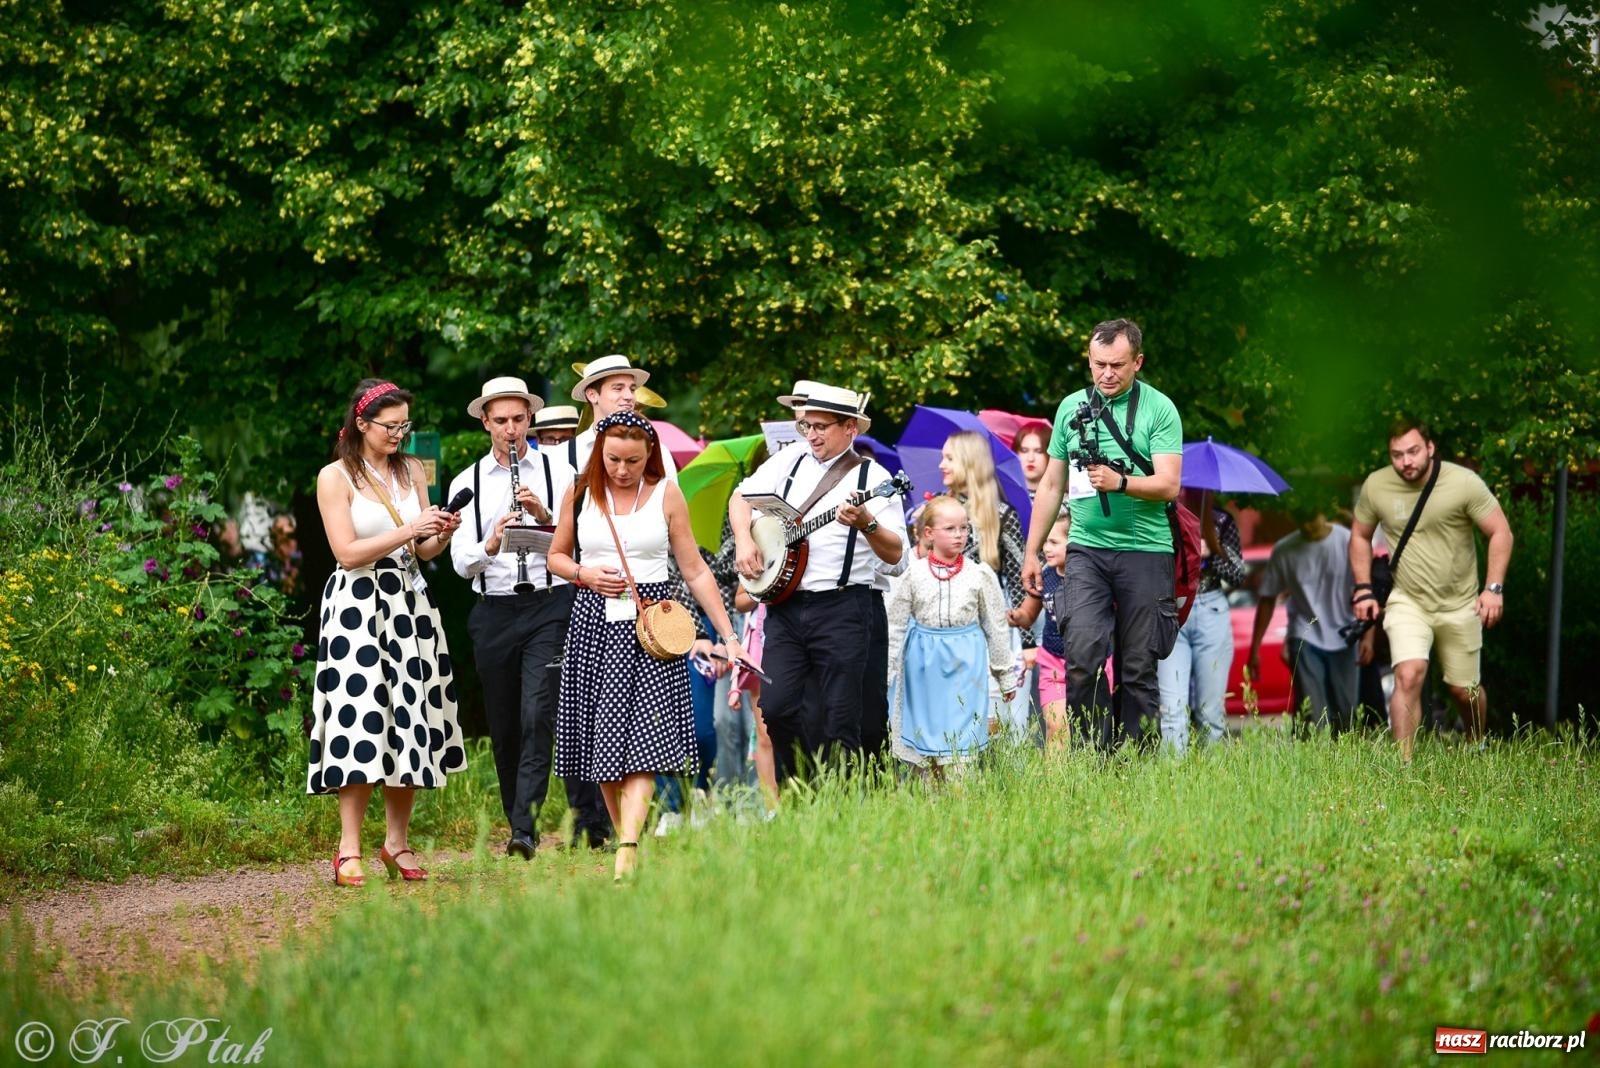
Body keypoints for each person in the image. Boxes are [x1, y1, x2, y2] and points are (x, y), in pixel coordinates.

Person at [547, 411, 743, 881]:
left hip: (654, 629)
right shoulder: (577, 492)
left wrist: (730, 635)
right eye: (613, 458)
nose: (622, 469)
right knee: (605, 750)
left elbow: (694, 569)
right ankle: (626, 837)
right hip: (594, 625)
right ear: (600, 451)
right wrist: (583, 573)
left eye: (633, 460)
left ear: (649, 455)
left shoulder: (667, 494)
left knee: (645, 744)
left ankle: (628, 847)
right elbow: (555, 556)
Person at [308, 379, 467, 887]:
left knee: (410, 720)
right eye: (390, 426)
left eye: (405, 425)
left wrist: (439, 534)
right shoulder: (335, 477)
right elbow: (347, 552)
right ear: (361, 424)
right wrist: (412, 528)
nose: (400, 434)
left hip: (408, 602)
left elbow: (422, 554)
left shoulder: (412, 470)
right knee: (361, 717)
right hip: (356, 605)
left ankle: (396, 842)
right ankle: (347, 849)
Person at [447, 376, 610, 859]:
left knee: (538, 712)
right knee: (504, 724)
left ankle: (524, 828)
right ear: (485, 423)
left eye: (519, 420)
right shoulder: (467, 481)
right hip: (494, 608)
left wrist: (546, 518)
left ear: (530, 420)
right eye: (502, 421)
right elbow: (459, 561)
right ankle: (519, 820)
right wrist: (492, 541)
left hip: (550, 603)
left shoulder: (560, 473)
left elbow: (583, 541)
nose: (512, 430)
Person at [729, 383, 906, 782]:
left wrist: (867, 523)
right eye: (806, 426)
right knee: (776, 707)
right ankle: (798, 800)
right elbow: (741, 497)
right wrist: (744, 540)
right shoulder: (789, 459)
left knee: (840, 716)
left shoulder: (873, 476)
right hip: (786, 607)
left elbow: (897, 557)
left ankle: (839, 811)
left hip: (845, 607)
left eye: (821, 427)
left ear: (850, 428)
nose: (811, 435)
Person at [1022, 318, 1183, 751]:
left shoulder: (1159, 409)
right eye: (1099, 365)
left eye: (1117, 365)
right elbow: (1052, 486)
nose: (1107, 374)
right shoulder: (1071, 408)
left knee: (1136, 669)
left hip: (1146, 550)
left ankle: (1135, 767)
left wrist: (1121, 482)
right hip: (1087, 550)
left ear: (1138, 362)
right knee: (1083, 655)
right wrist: (1032, 552)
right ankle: (1093, 759)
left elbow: (1170, 484)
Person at [1350, 418, 1513, 760]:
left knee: (1462, 689)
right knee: (1408, 676)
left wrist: (1493, 589)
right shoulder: (1376, 486)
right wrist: (1363, 589)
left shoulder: (1463, 483)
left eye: (1412, 452)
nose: (1406, 462)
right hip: (1408, 601)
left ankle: (1476, 743)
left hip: (1460, 603)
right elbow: (1360, 536)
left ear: (1429, 448)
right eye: (1397, 455)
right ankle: (1404, 766)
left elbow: (1500, 532)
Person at [888, 497, 1014, 772]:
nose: (959, 535)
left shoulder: (978, 575)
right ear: (928, 534)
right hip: (923, 668)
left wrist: (1005, 675)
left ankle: (962, 798)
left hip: (965, 666)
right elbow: (895, 625)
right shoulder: (914, 574)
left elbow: (995, 626)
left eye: (964, 528)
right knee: (924, 745)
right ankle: (929, 802)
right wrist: (887, 672)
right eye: (950, 528)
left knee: (961, 749)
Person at [1248, 500, 1371, 736]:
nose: (1308, 527)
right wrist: (1255, 648)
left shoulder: (1348, 541)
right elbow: (1267, 599)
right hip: (1305, 635)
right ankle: (1310, 758)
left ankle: (1341, 763)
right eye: (1301, 522)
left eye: (1311, 520)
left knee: (1346, 712)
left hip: (1346, 635)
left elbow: (1365, 590)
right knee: (1312, 710)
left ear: (1323, 513)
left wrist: (1368, 637)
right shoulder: (1285, 550)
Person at [938, 429, 1029, 734]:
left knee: (1002, 722)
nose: (942, 465)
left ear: (969, 462)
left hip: (992, 627)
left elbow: (1019, 582)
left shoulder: (1003, 515)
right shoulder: (934, 511)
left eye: (949, 458)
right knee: (952, 716)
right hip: (943, 628)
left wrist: (1028, 644)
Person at [1156, 495, 1245, 753]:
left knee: (1211, 711)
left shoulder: (1220, 520)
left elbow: (1239, 574)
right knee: (1172, 709)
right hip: (1173, 608)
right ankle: (1173, 777)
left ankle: (1212, 778)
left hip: (1211, 607)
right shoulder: (1161, 517)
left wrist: (1212, 549)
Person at [1009, 515, 1071, 751]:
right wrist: (1017, 617)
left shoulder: (1089, 578)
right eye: (1044, 542)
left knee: (1085, 730)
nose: (1046, 548)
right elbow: (1029, 614)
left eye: (1053, 542)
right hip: (1053, 661)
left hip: (1089, 662)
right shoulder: (1045, 576)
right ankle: (1055, 782)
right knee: (1056, 727)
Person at [567, 354, 679, 480]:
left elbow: (671, 497)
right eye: (618, 388)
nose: (629, 396)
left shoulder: (660, 453)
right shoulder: (563, 454)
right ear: (592, 395)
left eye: (632, 389)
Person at [1011, 422, 1051, 499]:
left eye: (1038, 451)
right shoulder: (1002, 497)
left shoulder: (1067, 502)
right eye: (1024, 450)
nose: (1030, 458)